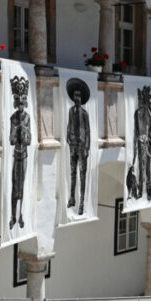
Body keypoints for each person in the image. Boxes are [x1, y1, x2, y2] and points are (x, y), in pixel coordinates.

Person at [8, 75, 32, 228]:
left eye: (23, 101)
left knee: (22, 185)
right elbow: (11, 140)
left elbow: (29, 140)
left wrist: (25, 131)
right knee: (14, 186)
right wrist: (16, 129)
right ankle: (12, 215)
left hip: (24, 155)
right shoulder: (13, 118)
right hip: (16, 154)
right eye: (19, 101)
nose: (21, 105)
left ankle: (21, 214)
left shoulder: (27, 118)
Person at [65, 78, 91, 214]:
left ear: (82, 99)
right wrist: (68, 136)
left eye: (79, 96)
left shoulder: (85, 114)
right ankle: (72, 198)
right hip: (73, 146)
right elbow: (69, 124)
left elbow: (88, 131)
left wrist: (86, 147)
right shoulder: (70, 111)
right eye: (75, 95)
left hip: (81, 147)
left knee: (82, 174)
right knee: (73, 173)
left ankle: (81, 202)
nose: (77, 98)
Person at [132, 85, 151, 200]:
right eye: (139, 99)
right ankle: (142, 189)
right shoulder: (137, 113)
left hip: (146, 141)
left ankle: (148, 189)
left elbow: (150, 129)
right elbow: (136, 130)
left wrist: (150, 144)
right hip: (140, 141)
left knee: (146, 167)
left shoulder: (147, 112)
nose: (139, 101)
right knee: (141, 166)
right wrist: (135, 144)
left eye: (140, 99)